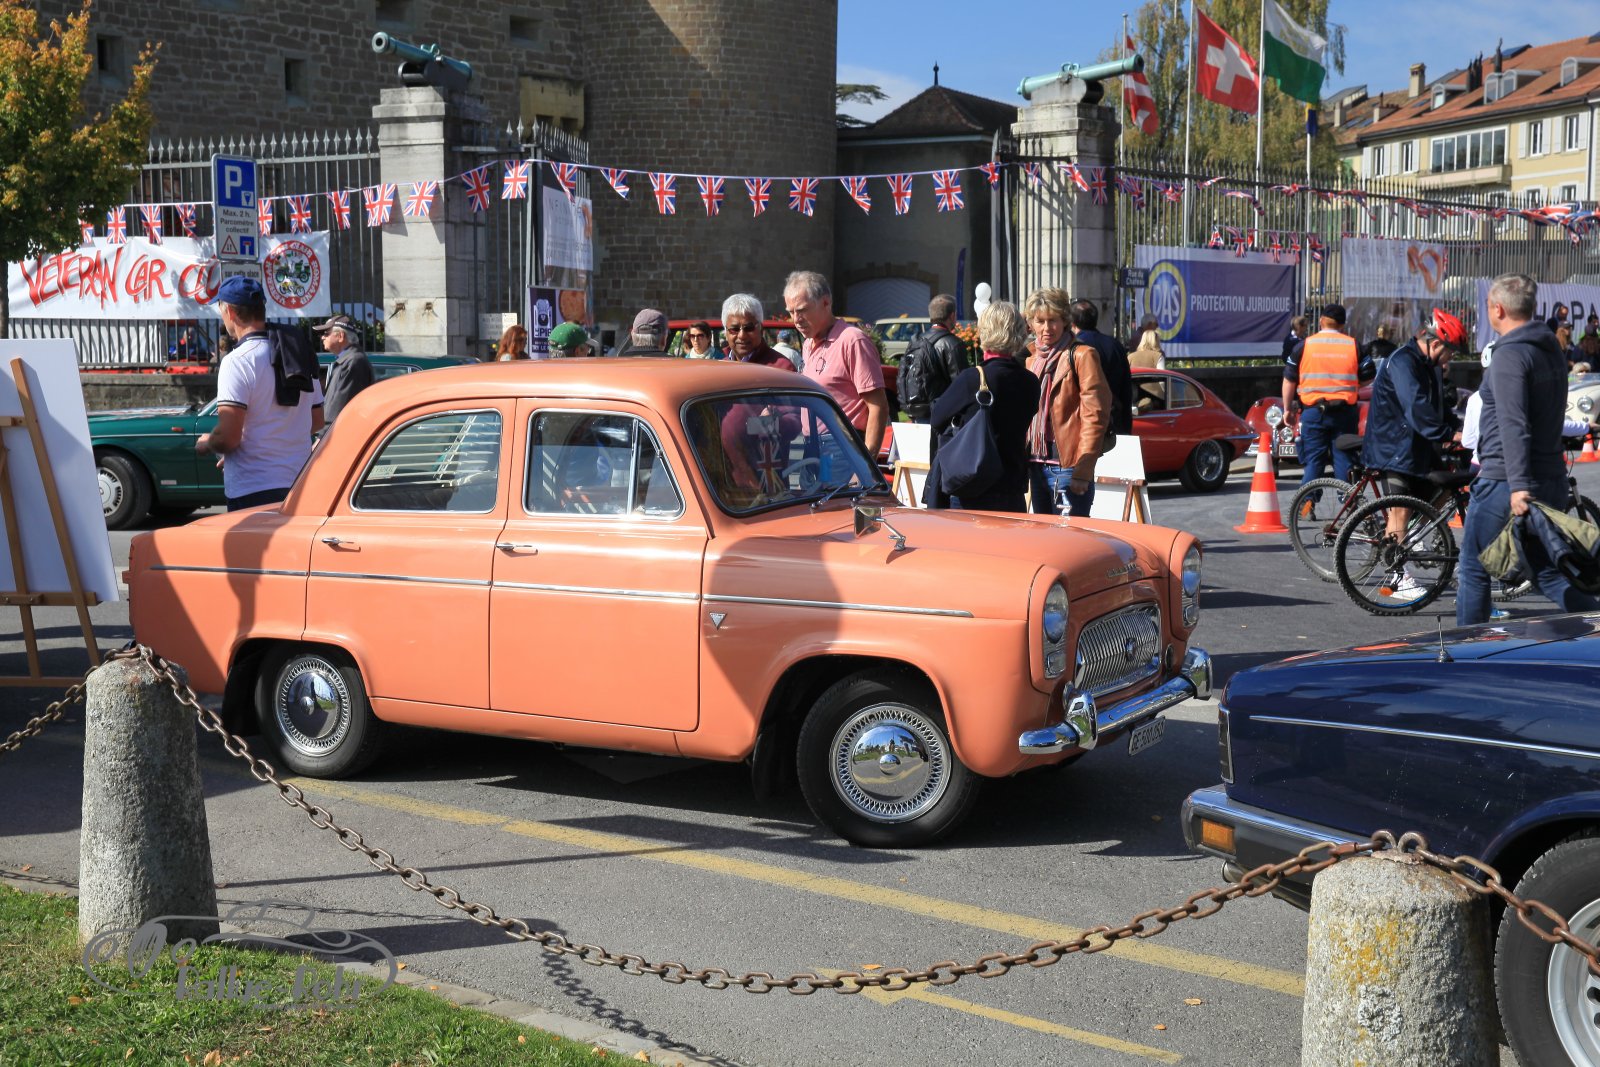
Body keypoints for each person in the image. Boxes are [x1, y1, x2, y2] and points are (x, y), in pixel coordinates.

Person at [1456, 274, 1600, 627]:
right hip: (1548, 476)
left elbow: (1514, 423)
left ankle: (1466, 649)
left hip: (1506, 480)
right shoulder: (1550, 352)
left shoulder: (1509, 355)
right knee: (1546, 572)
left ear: (1498, 309)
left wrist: (1519, 486)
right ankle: (1594, 628)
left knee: (1474, 567)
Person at [1358, 310, 1466, 601]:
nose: (1451, 358)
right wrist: (1446, 434)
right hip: (1392, 447)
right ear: (1436, 343)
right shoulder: (1402, 362)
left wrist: (1458, 428)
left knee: (1446, 487)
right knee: (1401, 509)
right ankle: (1395, 579)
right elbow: (1416, 406)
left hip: (1416, 445)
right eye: (1451, 351)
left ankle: (1408, 538)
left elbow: (1437, 406)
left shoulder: (1428, 365)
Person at [196, 275, 323, 511]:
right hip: (301, 484)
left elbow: (229, 437)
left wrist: (208, 443)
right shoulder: (298, 354)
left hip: (253, 489)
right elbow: (316, 420)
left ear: (230, 312)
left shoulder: (238, 361)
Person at [927, 301, 1041, 513]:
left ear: (984, 332)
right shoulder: (1031, 382)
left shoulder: (972, 378)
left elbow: (937, 419)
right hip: (1012, 486)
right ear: (1019, 333)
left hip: (972, 483)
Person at [784, 270, 889, 456]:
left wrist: (866, 462)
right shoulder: (808, 343)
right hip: (812, 446)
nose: (796, 320)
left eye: (801, 310)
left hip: (843, 448)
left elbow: (878, 406)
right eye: (791, 312)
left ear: (826, 302)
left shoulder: (852, 340)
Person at [1282, 304, 1377, 490]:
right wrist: (1352, 385)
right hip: (1345, 413)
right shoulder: (1353, 345)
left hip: (1313, 412)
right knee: (1344, 460)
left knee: (1314, 461)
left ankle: (1307, 501)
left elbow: (1289, 380)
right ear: (1342, 325)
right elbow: (1369, 374)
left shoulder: (1304, 346)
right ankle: (1348, 501)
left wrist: (1287, 409)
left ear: (1321, 321)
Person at [1022, 287, 1076, 514]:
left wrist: (1083, 469)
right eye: (1040, 321)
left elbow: (1095, 415)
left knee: (1068, 535)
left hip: (1066, 465)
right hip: (1035, 463)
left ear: (1064, 321)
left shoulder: (1080, 355)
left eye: (1052, 320)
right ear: (1031, 324)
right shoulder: (1030, 358)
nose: (1046, 328)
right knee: (1043, 533)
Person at [899, 293, 970, 423]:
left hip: (915, 412)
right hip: (942, 416)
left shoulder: (916, 341)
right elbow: (961, 384)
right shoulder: (952, 343)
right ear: (952, 316)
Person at [1069, 300, 1134, 437]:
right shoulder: (1115, 345)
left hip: (1081, 423)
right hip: (1113, 421)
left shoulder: (1072, 348)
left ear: (1071, 323)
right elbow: (1126, 389)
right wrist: (1126, 427)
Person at [311, 313, 373, 427]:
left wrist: (323, 434)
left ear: (340, 336)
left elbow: (338, 408)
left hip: (342, 432)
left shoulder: (354, 362)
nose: (322, 337)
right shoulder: (347, 360)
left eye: (326, 333)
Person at [721, 293, 795, 370]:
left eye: (749, 328)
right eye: (735, 329)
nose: (742, 335)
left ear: (761, 330)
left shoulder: (782, 369)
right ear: (726, 332)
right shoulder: (720, 369)